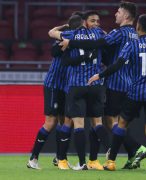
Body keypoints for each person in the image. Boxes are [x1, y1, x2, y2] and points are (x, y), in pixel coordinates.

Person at [87, 14, 146, 172]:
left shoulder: (132, 45)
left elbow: (117, 65)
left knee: (121, 124)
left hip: (136, 92)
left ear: (138, 27)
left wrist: (100, 75)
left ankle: (111, 162)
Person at [60, 1, 146, 170]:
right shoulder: (135, 35)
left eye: (118, 11)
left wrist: (71, 43)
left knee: (108, 122)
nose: (115, 14)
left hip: (115, 81)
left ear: (126, 16)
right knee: (108, 121)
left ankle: (137, 149)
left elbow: (98, 43)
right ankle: (128, 155)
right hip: (129, 83)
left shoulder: (119, 32)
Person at [49, 10, 107, 171]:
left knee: (75, 124)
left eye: (97, 21)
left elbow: (52, 36)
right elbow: (107, 42)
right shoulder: (99, 35)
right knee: (97, 123)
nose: (96, 24)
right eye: (93, 21)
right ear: (85, 22)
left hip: (75, 85)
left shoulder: (70, 35)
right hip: (95, 85)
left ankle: (74, 161)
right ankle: (109, 152)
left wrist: (65, 34)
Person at [27, 14, 83, 170]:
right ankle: (33, 159)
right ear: (79, 28)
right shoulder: (66, 38)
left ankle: (60, 158)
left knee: (65, 122)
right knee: (50, 122)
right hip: (54, 85)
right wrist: (64, 30)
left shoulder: (76, 40)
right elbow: (53, 50)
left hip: (66, 87)